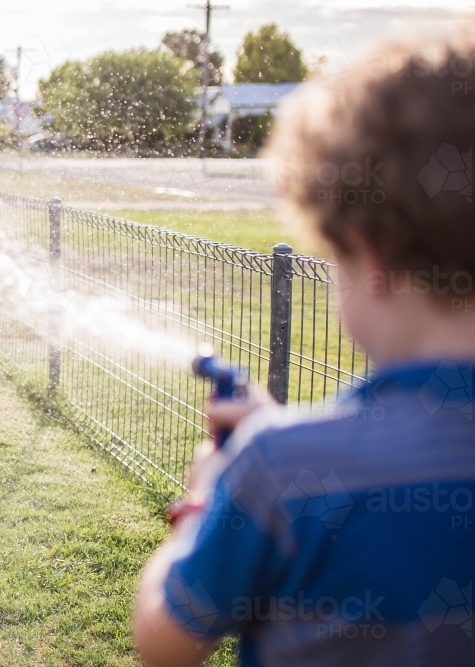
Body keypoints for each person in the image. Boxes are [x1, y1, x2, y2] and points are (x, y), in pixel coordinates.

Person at [133, 27, 475, 667]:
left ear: (370, 253)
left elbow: (165, 641)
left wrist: (210, 495)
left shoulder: (281, 470)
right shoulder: (291, 459)